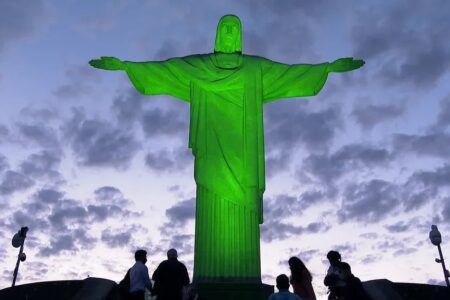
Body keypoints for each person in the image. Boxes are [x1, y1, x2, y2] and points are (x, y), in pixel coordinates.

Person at [89, 14, 364, 284]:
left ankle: (243, 277)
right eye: (226, 28)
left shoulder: (254, 68)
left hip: (243, 155)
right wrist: (126, 65)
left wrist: (326, 68)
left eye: (236, 29)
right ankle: (209, 276)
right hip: (211, 152)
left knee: (241, 208)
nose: (231, 33)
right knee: (212, 205)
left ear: (240, 35)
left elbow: (289, 74)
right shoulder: (200, 66)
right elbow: (166, 69)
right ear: (220, 34)